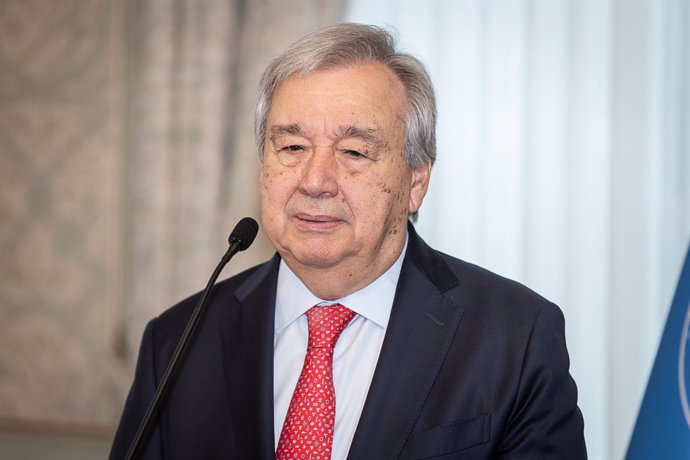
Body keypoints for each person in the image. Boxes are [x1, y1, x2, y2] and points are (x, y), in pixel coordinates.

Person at [110, 23, 587, 459]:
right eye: (292, 147)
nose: (315, 180)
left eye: (355, 151)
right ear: (263, 167)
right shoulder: (177, 342)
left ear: (416, 179)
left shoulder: (515, 337)